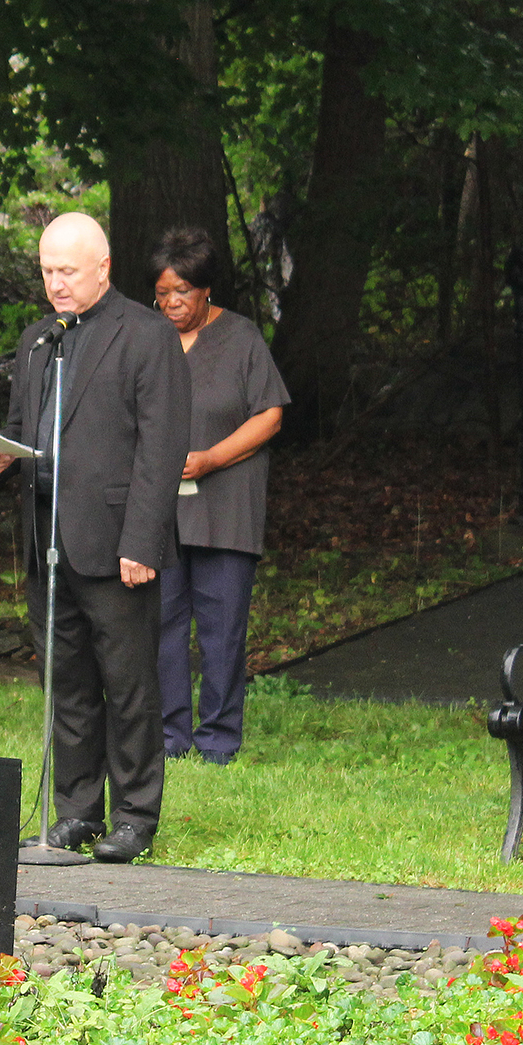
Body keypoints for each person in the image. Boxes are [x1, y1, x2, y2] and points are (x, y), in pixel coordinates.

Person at [0, 212, 189, 863]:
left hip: (118, 539)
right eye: (47, 271)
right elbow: (22, 428)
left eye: (68, 271)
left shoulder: (147, 336)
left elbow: (162, 447)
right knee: (66, 682)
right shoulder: (39, 341)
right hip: (48, 543)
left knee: (127, 685)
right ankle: (76, 812)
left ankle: (135, 817)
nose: (56, 283)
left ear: (103, 268)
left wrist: (142, 543)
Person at [149, 228, 288, 766]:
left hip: (226, 504)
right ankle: (169, 738)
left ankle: (218, 740)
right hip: (160, 510)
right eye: (161, 294)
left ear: (206, 290)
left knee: (222, 627)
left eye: (180, 292)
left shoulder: (242, 337)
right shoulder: (148, 338)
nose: (170, 303)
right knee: (161, 622)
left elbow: (270, 414)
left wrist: (210, 459)